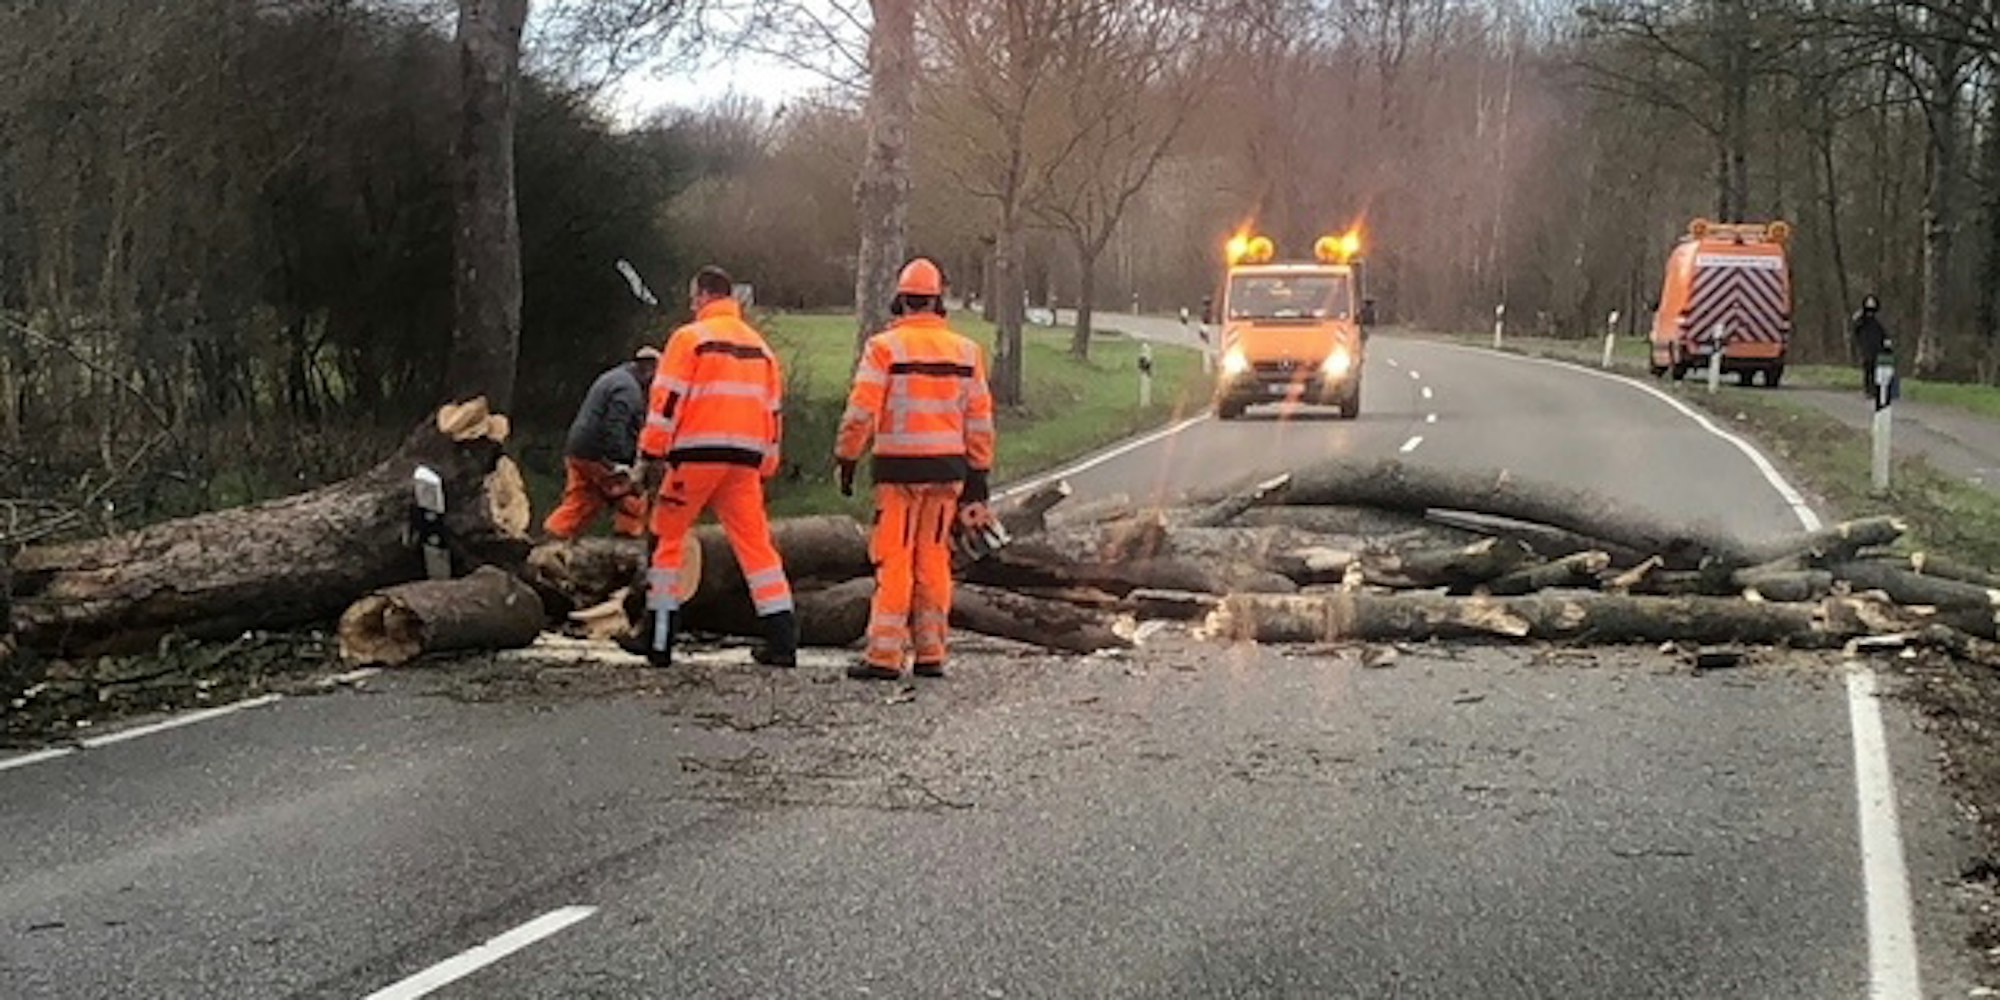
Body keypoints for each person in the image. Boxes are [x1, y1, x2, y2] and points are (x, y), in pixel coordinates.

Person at [621, 266, 796, 669]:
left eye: (693, 298)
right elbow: (773, 412)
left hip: (696, 456)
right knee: (757, 547)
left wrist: (651, 452)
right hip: (745, 461)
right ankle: (783, 639)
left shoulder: (690, 339)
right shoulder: (760, 348)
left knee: (667, 540)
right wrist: (768, 462)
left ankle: (659, 638)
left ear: (702, 295)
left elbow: (666, 401)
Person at [835, 257, 997, 681]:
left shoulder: (884, 348)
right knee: (934, 560)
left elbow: (861, 411)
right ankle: (931, 652)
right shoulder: (967, 352)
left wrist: (847, 456)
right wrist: (978, 477)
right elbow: (980, 420)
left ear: (901, 300)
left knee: (895, 558)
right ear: (938, 301)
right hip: (948, 473)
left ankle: (884, 655)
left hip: (898, 472)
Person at [542, 347, 658, 539]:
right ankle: (627, 543)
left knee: (580, 501)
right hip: (599, 455)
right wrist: (621, 463)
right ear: (650, 368)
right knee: (631, 497)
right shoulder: (628, 390)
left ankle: (551, 539)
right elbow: (615, 426)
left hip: (578, 450)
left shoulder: (614, 378)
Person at [1853, 294, 1891, 399]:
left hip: (1877, 346)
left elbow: (1883, 332)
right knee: (1868, 366)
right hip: (1866, 345)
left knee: (1876, 368)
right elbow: (1856, 328)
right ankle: (1868, 389)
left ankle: (1875, 389)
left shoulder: (1878, 320)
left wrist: (1886, 343)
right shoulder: (1861, 318)